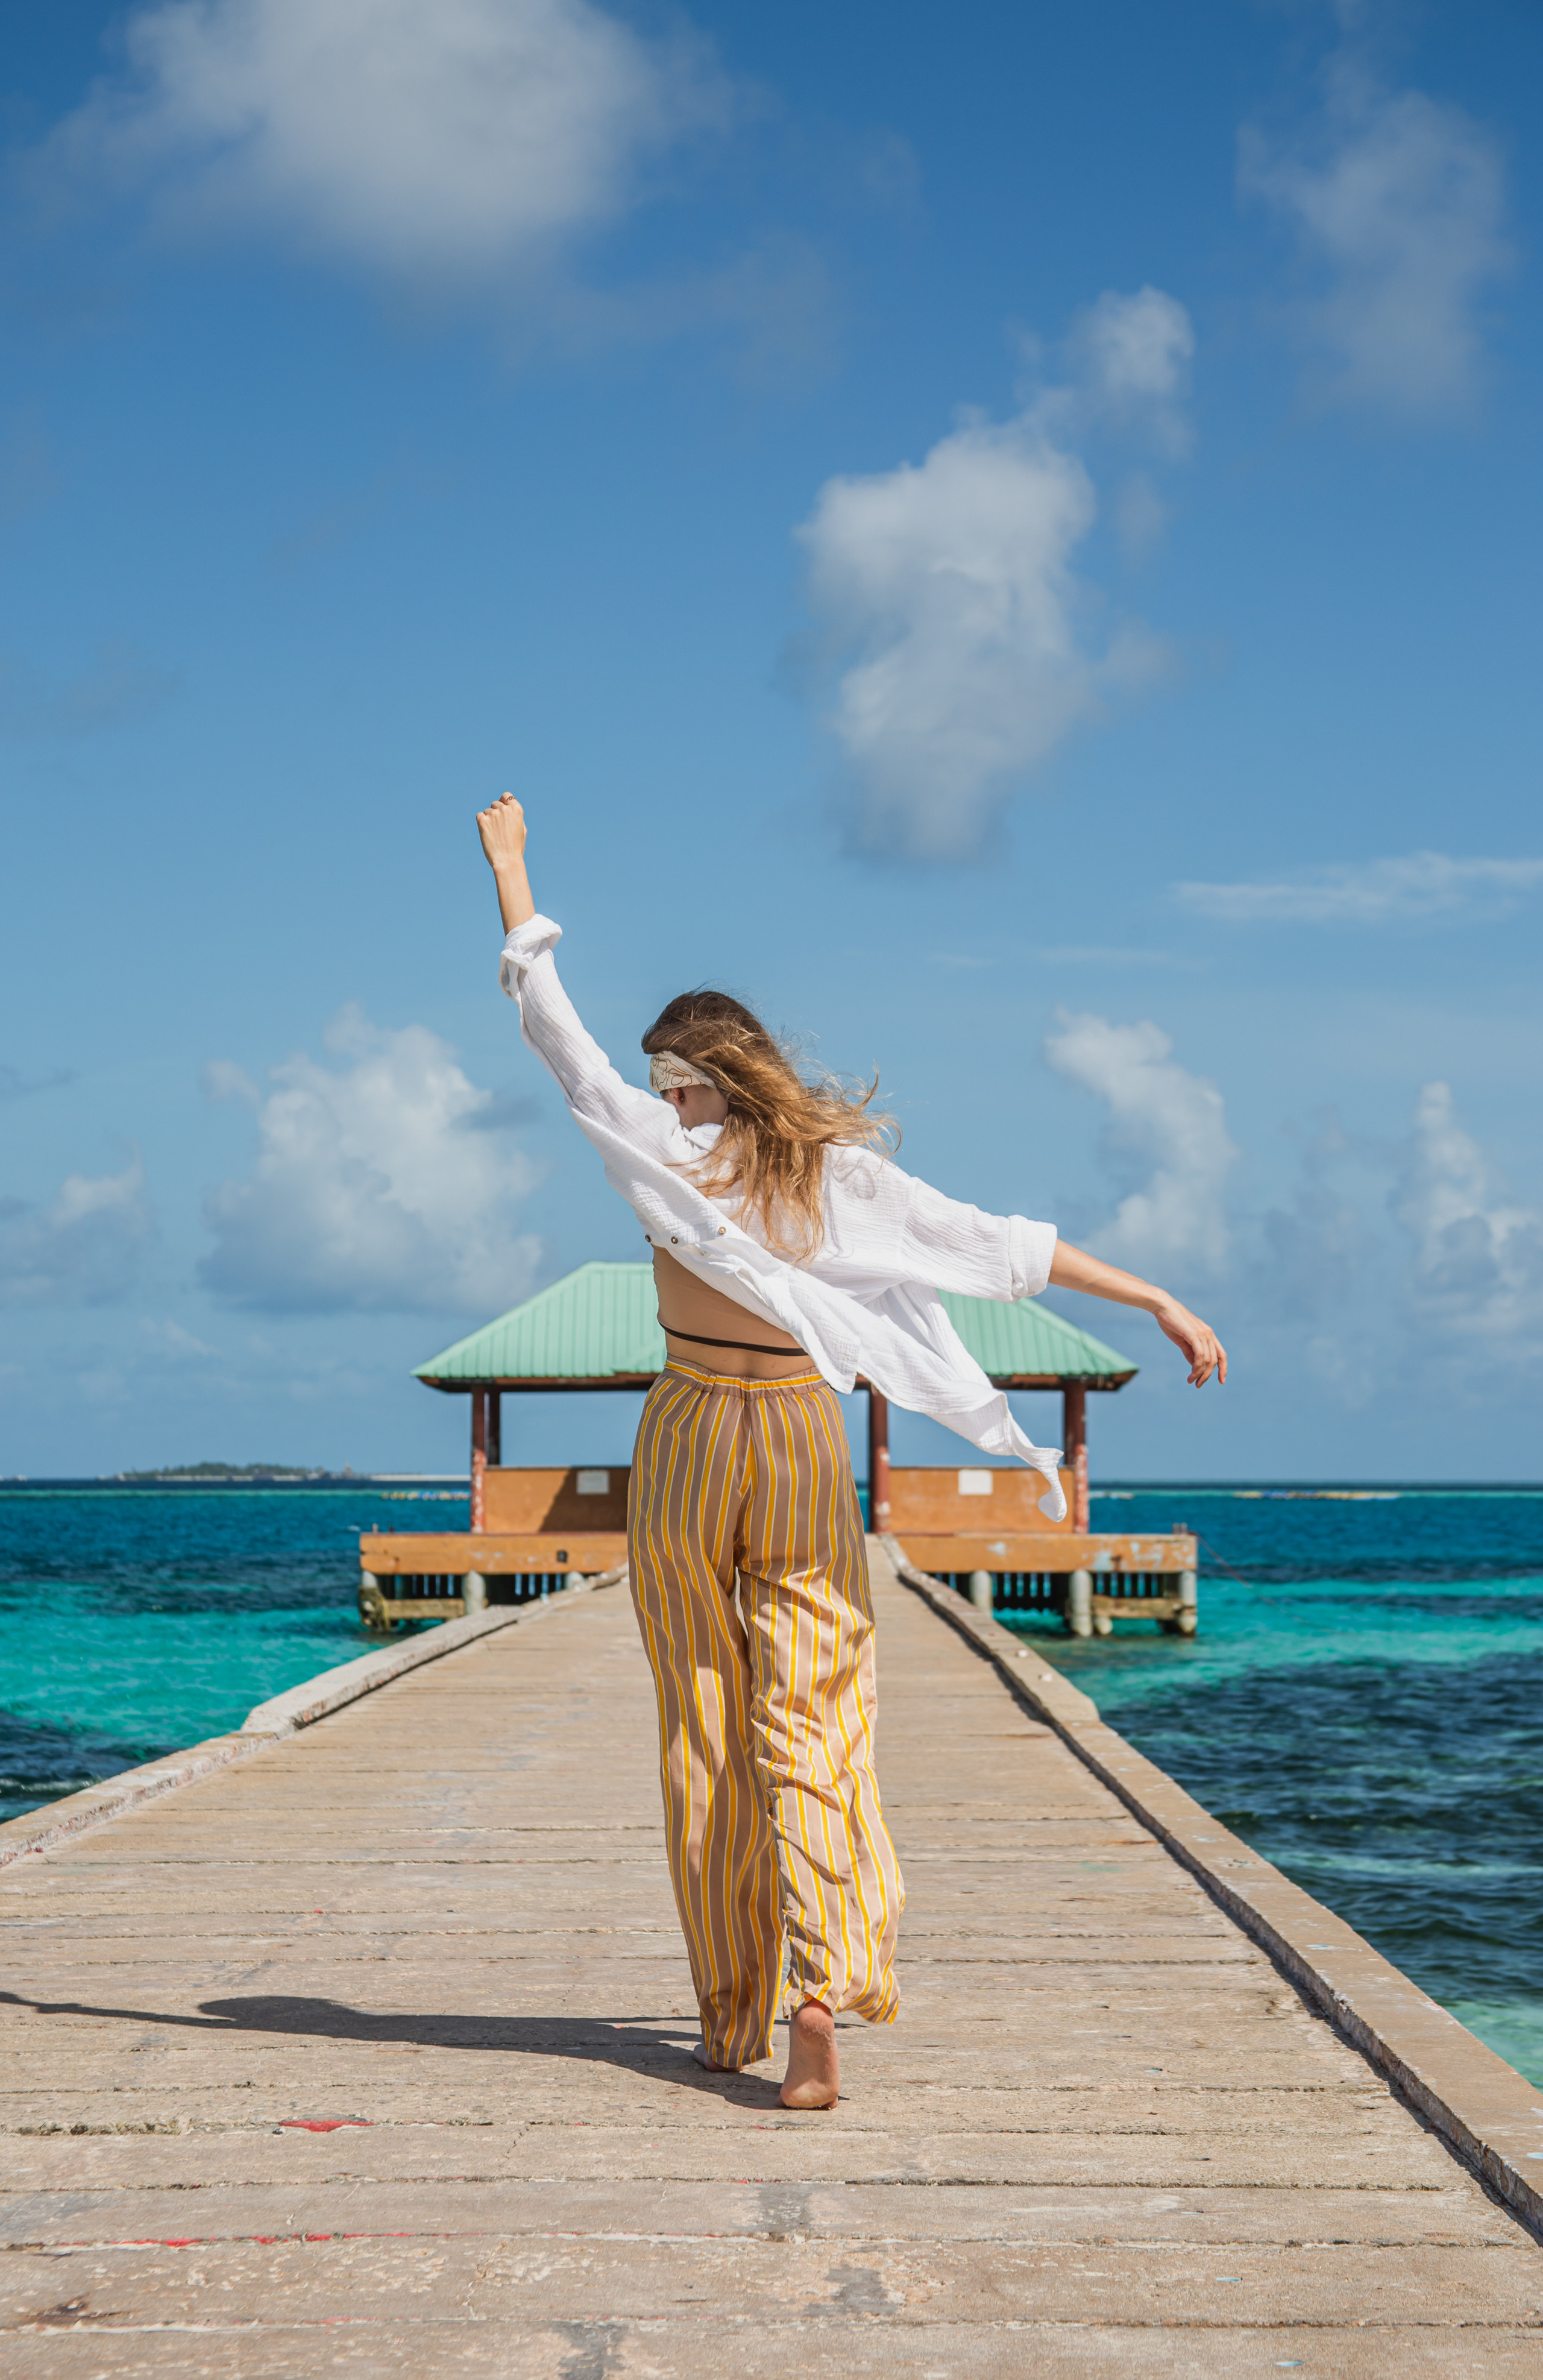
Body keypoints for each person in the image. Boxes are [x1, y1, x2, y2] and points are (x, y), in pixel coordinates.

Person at [477, 793, 1226, 2109]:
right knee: (814, 1708)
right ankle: (819, 1985)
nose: (666, 1099)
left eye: (673, 1079)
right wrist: (1154, 1296)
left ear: (703, 1076)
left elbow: (549, 1026)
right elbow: (1002, 1248)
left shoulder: (652, 1149)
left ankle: (733, 2011)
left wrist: (514, 872)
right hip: (798, 1437)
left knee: (702, 1713)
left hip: (690, 1426)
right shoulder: (832, 1177)